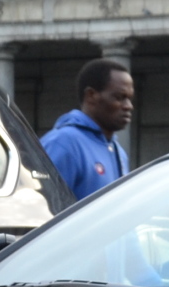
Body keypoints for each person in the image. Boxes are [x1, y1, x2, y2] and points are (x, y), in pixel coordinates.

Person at [41, 59, 134, 198]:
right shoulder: (63, 143)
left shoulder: (118, 152)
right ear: (91, 96)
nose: (128, 106)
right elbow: (42, 206)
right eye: (120, 97)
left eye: (130, 99)